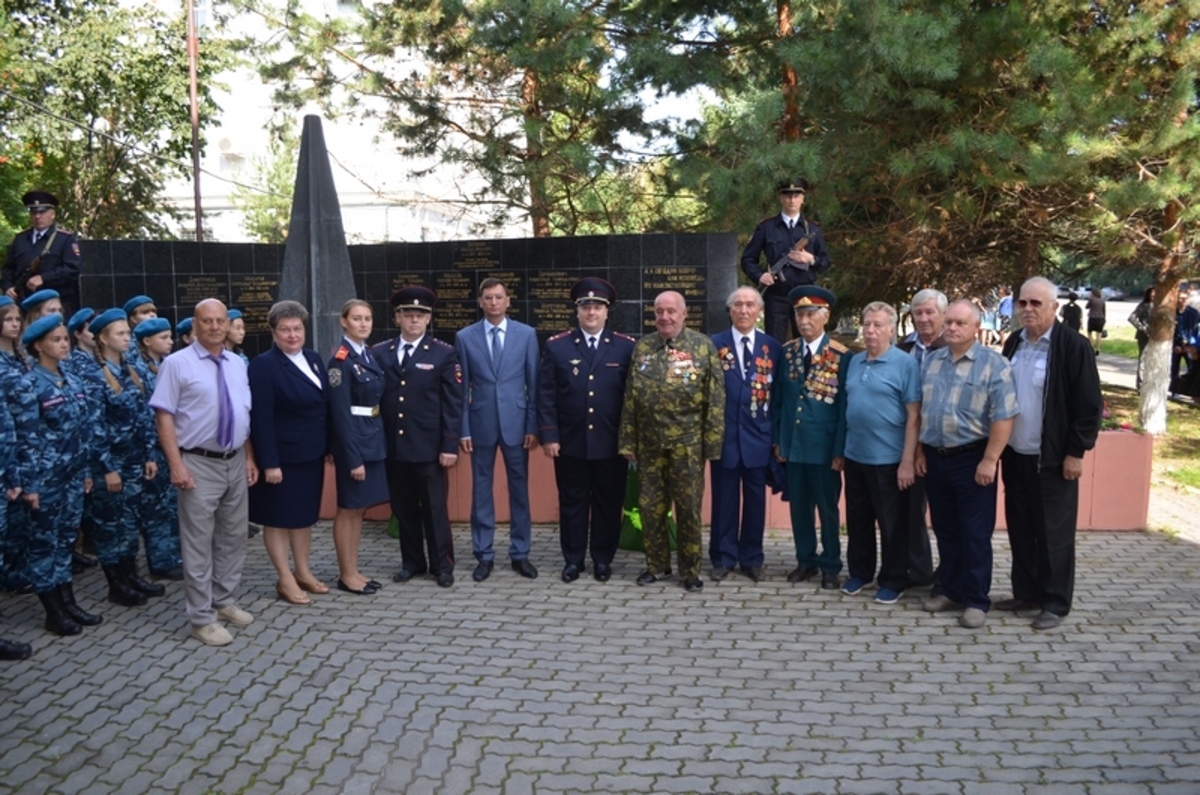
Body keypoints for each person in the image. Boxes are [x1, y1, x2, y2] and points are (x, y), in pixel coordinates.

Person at [149, 299, 258, 647]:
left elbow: (243, 414)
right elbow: (164, 416)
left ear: (227, 325)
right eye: (206, 321)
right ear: (195, 325)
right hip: (197, 461)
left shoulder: (237, 364)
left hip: (235, 459)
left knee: (233, 536)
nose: (214, 327)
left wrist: (249, 458)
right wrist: (176, 464)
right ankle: (201, 618)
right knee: (198, 544)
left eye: (220, 321)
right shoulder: (176, 364)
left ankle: (224, 601)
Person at [998, 277, 1102, 630]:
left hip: (1054, 459)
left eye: (1035, 304)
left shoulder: (1073, 347)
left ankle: (1055, 603)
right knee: (1022, 527)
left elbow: (1089, 406)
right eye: (1022, 303)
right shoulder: (1014, 343)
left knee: (1053, 534)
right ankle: (1027, 592)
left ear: (1054, 308)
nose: (1027, 309)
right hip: (1016, 454)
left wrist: (1076, 452)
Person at [916, 300, 1018, 629]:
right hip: (935, 457)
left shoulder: (995, 364)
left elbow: (1004, 416)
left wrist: (990, 460)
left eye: (960, 323)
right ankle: (951, 589)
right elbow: (922, 413)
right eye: (949, 323)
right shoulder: (932, 362)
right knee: (945, 529)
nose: (952, 328)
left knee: (974, 532)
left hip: (973, 459)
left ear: (977, 328)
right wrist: (918, 452)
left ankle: (976, 599)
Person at [619, 290, 724, 592]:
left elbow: (715, 401)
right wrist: (628, 441)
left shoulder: (702, 347)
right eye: (659, 312)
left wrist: (712, 444)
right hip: (649, 446)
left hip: (688, 446)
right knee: (651, 507)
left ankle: (690, 571)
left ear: (684, 313)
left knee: (689, 507)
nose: (664, 317)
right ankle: (657, 565)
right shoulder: (644, 347)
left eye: (671, 311)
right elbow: (630, 398)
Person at [537, 277, 636, 583]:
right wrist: (549, 435)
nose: (591, 312)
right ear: (577, 311)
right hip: (570, 443)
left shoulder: (625, 347)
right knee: (572, 504)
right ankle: (573, 559)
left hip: (611, 443)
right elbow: (545, 394)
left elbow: (631, 398)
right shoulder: (557, 346)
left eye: (597, 307)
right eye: (586, 306)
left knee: (608, 503)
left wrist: (629, 440)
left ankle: (603, 560)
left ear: (607, 312)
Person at [11, 314, 101, 636]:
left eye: (65, 339)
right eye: (56, 340)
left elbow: (82, 430)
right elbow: (27, 437)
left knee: (64, 541)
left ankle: (68, 601)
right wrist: (31, 485)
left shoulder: (71, 379)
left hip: (73, 475)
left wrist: (86, 470)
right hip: (47, 479)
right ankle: (52, 610)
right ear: (38, 346)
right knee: (44, 544)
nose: (64, 344)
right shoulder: (30, 383)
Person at [375, 287, 464, 589]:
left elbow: (453, 403)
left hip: (429, 448)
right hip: (393, 447)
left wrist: (449, 445)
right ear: (397, 317)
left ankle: (442, 565)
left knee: (434, 509)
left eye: (421, 315)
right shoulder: (379, 353)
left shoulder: (444, 353)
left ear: (428, 318)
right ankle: (412, 562)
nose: (414, 319)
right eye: (408, 314)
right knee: (404, 508)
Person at [456, 277, 540, 582]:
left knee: (520, 490)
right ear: (480, 302)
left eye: (498, 297)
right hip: (480, 424)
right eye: (488, 298)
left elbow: (534, 382)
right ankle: (484, 554)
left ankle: (520, 553)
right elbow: (461, 387)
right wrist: (463, 429)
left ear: (508, 301)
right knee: (481, 491)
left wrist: (533, 425)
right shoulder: (465, 337)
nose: (493, 302)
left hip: (517, 425)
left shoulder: (527, 334)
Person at [79, 308, 164, 608]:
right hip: (110, 466)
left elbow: (145, 416)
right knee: (109, 524)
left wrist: (149, 454)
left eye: (127, 333)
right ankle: (116, 583)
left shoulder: (132, 369)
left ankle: (131, 575)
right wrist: (108, 468)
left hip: (135, 461)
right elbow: (94, 427)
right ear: (102, 338)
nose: (127, 338)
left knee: (129, 521)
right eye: (120, 334)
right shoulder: (93, 376)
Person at [248, 300, 330, 605]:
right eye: (285, 329)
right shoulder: (264, 365)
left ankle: (303, 572)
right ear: (273, 332)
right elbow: (261, 418)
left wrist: (329, 446)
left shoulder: (313, 358)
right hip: (282, 459)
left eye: (297, 328)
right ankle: (284, 578)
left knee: (303, 518)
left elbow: (324, 407)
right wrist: (269, 463)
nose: (292, 335)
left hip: (310, 455)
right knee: (279, 519)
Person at [840, 302, 921, 604]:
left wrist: (907, 461)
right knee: (858, 520)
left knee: (892, 525)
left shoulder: (905, 364)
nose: (870, 330)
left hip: (889, 460)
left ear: (891, 328)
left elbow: (914, 415)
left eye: (877, 325)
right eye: (867, 324)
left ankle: (894, 579)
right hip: (855, 455)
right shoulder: (856, 362)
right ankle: (860, 573)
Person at [770, 286, 848, 591]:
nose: (804, 320)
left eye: (811, 314)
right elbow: (779, 403)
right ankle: (806, 560)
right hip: (794, 446)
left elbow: (843, 409)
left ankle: (831, 564)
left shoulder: (841, 356)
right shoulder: (787, 352)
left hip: (825, 448)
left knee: (827, 509)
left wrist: (839, 449)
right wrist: (779, 440)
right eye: (799, 314)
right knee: (799, 507)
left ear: (825, 316)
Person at [707, 286, 781, 582]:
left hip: (758, 439)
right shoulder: (714, 344)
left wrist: (775, 438)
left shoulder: (772, 347)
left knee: (755, 501)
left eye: (750, 305)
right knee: (723, 500)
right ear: (730, 310)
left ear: (759, 310)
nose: (744, 310)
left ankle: (752, 558)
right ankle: (723, 558)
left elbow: (777, 397)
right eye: (738, 305)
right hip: (724, 438)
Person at [326, 299, 389, 595]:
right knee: (348, 508)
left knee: (359, 508)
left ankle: (353, 569)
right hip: (355, 446)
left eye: (367, 319)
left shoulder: (367, 355)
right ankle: (345, 574)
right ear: (343, 321)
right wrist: (353, 459)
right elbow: (340, 414)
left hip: (372, 437)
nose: (363, 324)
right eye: (356, 319)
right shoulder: (341, 360)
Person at [740, 177, 831, 342]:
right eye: (788, 195)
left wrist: (810, 259)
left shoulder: (813, 229)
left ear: (803, 199)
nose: (792, 200)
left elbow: (825, 262)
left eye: (796, 196)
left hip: (805, 294)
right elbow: (747, 259)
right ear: (781, 198)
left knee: (807, 341)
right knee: (773, 344)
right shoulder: (766, 228)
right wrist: (759, 275)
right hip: (777, 294)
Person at [895, 289, 945, 588]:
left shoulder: (952, 346)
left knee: (944, 516)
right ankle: (918, 570)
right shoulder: (902, 349)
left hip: (939, 444)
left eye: (930, 312)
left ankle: (948, 576)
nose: (924, 318)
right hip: (904, 443)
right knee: (910, 512)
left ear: (942, 314)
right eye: (918, 313)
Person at [133, 317, 183, 580]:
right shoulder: (139, 370)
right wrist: (150, 453)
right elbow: (146, 417)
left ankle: (174, 555)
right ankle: (160, 560)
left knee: (171, 505)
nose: (170, 341)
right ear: (146, 341)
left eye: (170, 336)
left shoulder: (164, 365)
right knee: (156, 508)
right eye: (164, 338)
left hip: (170, 446)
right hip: (154, 448)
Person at [2, 191, 82, 314]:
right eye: (34, 212)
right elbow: (8, 268)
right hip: (24, 304)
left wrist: (44, 278)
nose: (38, 216)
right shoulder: (20, 239)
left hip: (54, 305)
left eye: (42, 212)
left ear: (52, 214)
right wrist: (8, 287)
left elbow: (72, 269)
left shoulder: (65, 239)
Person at [0, 297, 33, 593]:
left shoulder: (21, 356)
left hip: (24, 449)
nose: (13, 324)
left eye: (16, 319)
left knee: (19, 523)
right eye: (7, 319)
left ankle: (16, 572)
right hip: (8, 452)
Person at [1171, 290, 1199, 391]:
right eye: (1181, 298)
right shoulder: (1171, 312)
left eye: (1185, 298)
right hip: (1176, 344)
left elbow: (1195, 330)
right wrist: (1175, 345)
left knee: (1192, 368)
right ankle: (1174, 391)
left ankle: (1190, 390)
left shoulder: (1194, 313)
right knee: (1174, 368)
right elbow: (1169, 332)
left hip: (1189, 345)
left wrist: (1191, 346)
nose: (1183, 300)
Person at [1129, 287, 1154, 392]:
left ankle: (1151, 384)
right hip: (1144, 337)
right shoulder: (1144, 306)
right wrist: (1143, 328)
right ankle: (1141, 385)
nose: (1154, 295)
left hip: (1157, 338)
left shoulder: (1160, 306)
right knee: (1143, 360)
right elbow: (1132, 318)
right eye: (1152, 293)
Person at [1085, 287, 1106, 355]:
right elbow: (1104, 310)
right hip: (1100, 318)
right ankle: (1098, 348)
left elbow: (1087, 307)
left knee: (1089, 333)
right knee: (1099, 334)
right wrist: (1104, 319)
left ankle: (1091, 348)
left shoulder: (1092, 299)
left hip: (1092, 317)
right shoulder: (1102, 300)